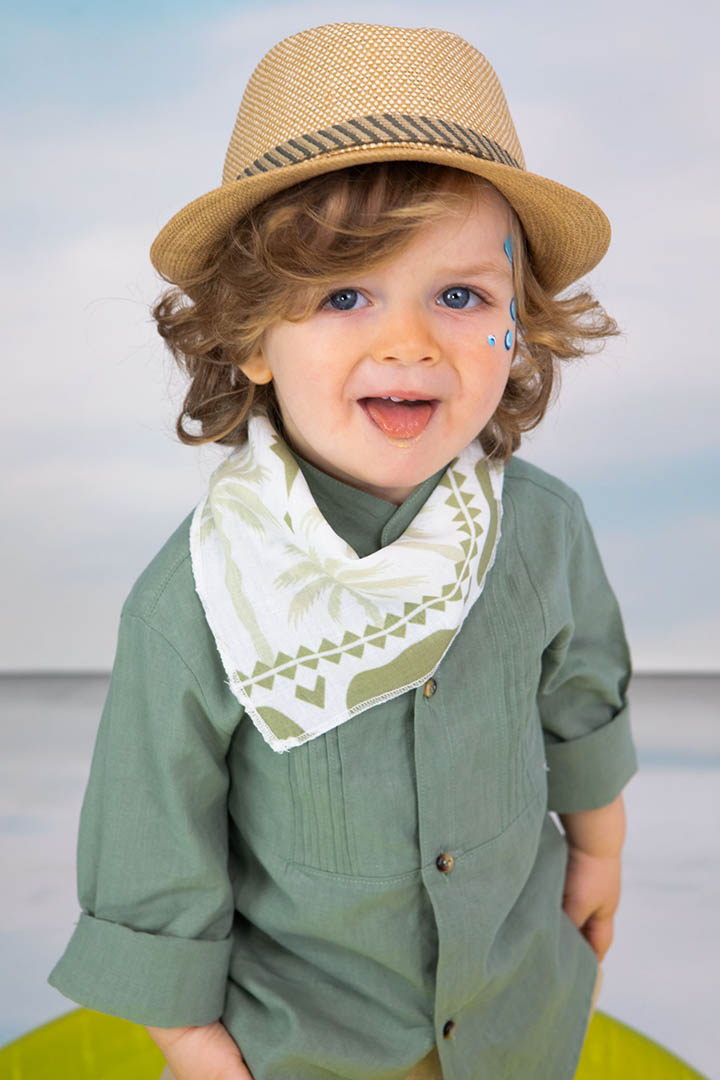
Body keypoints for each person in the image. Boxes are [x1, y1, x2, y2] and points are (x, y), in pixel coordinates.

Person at [47, 21, 638, 1080]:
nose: (408, 343)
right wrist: (190, 1039)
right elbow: (155, 828)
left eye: (460, 296)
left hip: (515, 1006)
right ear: (249, 336)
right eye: (343, 296)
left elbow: (582, 692)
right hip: (307, 1044)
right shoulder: (197, 598)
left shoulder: (542, 526)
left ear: (519, 325)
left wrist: (597, 845)